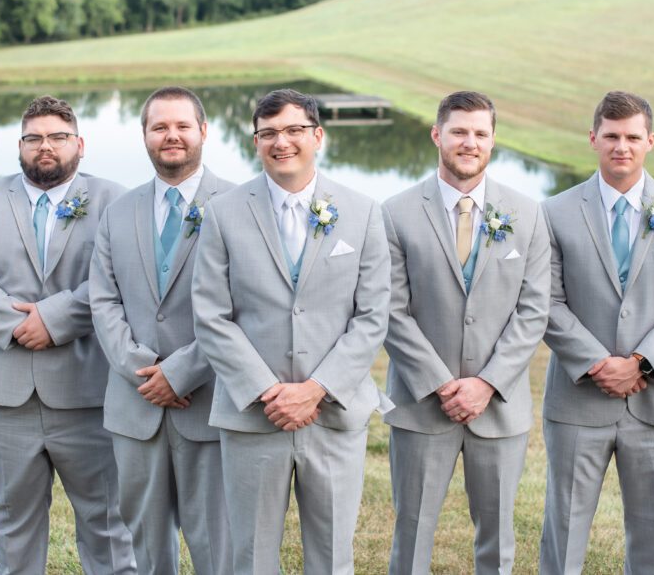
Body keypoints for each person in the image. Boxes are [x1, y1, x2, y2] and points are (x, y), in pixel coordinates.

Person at [191, 88, 392, 574]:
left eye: (294, 130)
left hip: (333, 415)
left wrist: (316, 389)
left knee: (332, 558)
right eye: (269, 133)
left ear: (317, 135)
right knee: (251, 558)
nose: (282, 142)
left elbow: (373, 315)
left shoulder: (363, 211)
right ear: (256, 142)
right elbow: (212, 315)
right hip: (254, 416)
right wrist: (267, 391)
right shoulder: (224, 213)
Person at [0, 96, 134, 574]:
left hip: (88, 389)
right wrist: (19, 326)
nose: (44, 147)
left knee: (108, 517)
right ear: (20, 146)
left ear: (80, 144)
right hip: (3, 392)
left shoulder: (116, 201)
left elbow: (122, 277)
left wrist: (55, 318)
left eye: (57, 137)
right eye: (34, 138)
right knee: (12, 517)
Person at [539, 90, 654, 574]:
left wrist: (640, 364)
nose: (622, 146)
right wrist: (599, 365)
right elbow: (546, 302)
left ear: (650, 141)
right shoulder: (553, 212)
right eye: (611, 136)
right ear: (593, 138)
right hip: (578, 400)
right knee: (563, 531)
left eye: (632, 137)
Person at [382, 91, 550, 574]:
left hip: (498, 406)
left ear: (493, 141)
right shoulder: (395, 213)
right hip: (420, 405)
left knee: (497, 540)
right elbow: (391, 308)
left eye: (480, 133)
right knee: (411, 533)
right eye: (458, 131)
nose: (468, 142)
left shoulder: (527, 213)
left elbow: (533, 310)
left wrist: (486, 383)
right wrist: (440, 383)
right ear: (438, 135)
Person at [90, 86, 234, 574]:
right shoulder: (118, 212)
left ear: (203, 131)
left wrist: (183, 372)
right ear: (145, 136)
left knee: (217, 542)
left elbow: (247, 307)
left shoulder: (240, 206)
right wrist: (142, 369)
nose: (171, 136)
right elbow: (103, 300)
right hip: (136, 404)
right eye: (159, 127)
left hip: (210, 401)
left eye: (181, 126)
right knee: (146, 545)